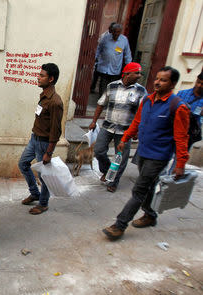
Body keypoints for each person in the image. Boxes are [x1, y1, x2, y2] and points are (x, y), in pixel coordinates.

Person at [102, 66, 190, 240]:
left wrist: (180, 164)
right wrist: (125, 138)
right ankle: (150, 214)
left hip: (158, 156)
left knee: (139, 190)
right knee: (149, 186)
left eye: (163, 80)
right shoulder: (148, 100)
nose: (157, 82)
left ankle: (119, 225)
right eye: (157, 78)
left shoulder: (177, 107)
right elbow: (137, 121)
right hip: (142, 152)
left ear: (172, 84)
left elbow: (182, 139)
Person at [89, 62, 147, 193]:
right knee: (98, 150)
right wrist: (94, 121)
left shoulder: (141, 90)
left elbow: (143, 111)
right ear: (127, 74)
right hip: (108, 126)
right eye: (136, 73)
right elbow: (100, 103)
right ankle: (108, 171)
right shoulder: (112, 86)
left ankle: (114, 181)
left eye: (139, 73)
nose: (139, 75)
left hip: (125, 131)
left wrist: (138, 130)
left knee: (121, 157)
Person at [19, 63, 63, 215]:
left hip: (44, 143)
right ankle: (35, 193)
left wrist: (48, 153)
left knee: (44, 176)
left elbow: (56, 131)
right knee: (23, 164)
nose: (38, 77)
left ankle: (43, 203)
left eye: (42, 75)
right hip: (34, 138)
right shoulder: (44, 96)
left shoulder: (55, 102)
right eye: (39, 74)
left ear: (51, 79)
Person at [95, 23, 132, 96]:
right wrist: (95, 58)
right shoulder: (106, 38)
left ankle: (109, 102)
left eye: (118, 32)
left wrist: (129, 67)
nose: (116, 33)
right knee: (103, 85)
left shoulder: (124, 40)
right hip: (104, 67)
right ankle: (101, 101)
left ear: (120, 32)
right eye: (114, 31)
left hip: (115, 68)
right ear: (112, 31)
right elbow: (99, 49)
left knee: (112, 87)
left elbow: (127, 53)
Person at [90, 22, 116, 93]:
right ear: (110, 29)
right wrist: (97, 57)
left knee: (106, 79)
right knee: (97, 75)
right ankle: (93, 87)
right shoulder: (104, 36)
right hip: (101, 60)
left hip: (110, 63)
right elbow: (99, 47)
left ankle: (104, 92)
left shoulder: (118, 37)